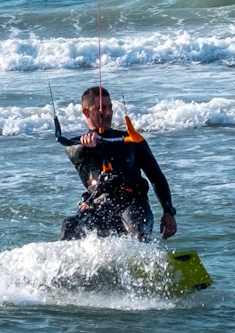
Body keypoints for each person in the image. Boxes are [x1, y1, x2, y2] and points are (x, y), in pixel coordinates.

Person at [56, 86, 178, 243]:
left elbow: (156, 177)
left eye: (110, 108)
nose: (108, 113)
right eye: (101, 108)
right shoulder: (77, 146)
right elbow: (72, 149)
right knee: (69, 226)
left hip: (133, 204)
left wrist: (168, 212)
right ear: (86, 112)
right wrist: (84, 144)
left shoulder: (131, 140)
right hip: (98, 207)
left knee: (136, 227)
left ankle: (145, 262)